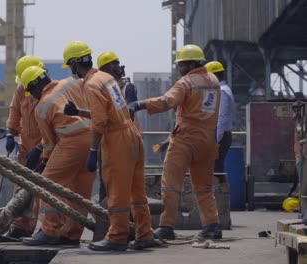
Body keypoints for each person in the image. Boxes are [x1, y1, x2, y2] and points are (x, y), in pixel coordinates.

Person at [63, 40, 160, 251]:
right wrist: (79, 112)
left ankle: (117, 237)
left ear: (74, 64)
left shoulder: (90, 85)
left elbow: (100, 122)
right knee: (137, 192)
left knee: (116, 191)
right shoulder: (106, 78)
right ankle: (144, 234)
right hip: (132, 135)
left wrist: (92, 151)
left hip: (117, 141)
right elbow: (111, 113)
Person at [129, 44, 223, 240]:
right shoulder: (213, 81)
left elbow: (166, 102)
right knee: (204, 186)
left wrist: (140, 104)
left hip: (185, 139)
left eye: (181, 64)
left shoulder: (186, 82)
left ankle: (166, 226)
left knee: (171, 184)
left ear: (190, 63)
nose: (179, 68)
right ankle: (212, 225)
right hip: (207, 140)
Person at [20, 66, 96, 246]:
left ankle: (50, 231)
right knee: (79, 190)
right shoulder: (71, 83)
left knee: (48, 184)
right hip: (94, 141)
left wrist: (44, 160)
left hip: (72, 143)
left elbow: (49, 142)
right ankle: (71, 235)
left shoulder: (43, 105)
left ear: (34, 88)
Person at [0, 55, 44, 242]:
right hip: (25, 149)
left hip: (45, 149)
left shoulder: (47, 92)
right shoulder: (22, 88)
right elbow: (14, 111)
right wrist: (10, 133)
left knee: (46, 193)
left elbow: (53, 126)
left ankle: (47, 229)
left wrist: (40, 149)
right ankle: (21, 227)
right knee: (21, 190)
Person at [96, 51, 142, 202]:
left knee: (122, 183)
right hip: (108, 142)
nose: (118, 66)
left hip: (124, 140)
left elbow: (129, 110)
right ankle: (106, 218)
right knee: (105, 182)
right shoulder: (107, 88)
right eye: (114, 64)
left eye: (117, 63)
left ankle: (123, 220)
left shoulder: (126, 87)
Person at [205, 61, 236, 173]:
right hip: (221, 135)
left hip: (220, 136)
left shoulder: (222, 92)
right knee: (216, 168)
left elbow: (221, 118)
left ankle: (220, 190)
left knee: (216, 169)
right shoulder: (223, 90)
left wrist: (215, 141)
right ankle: (219, 190)